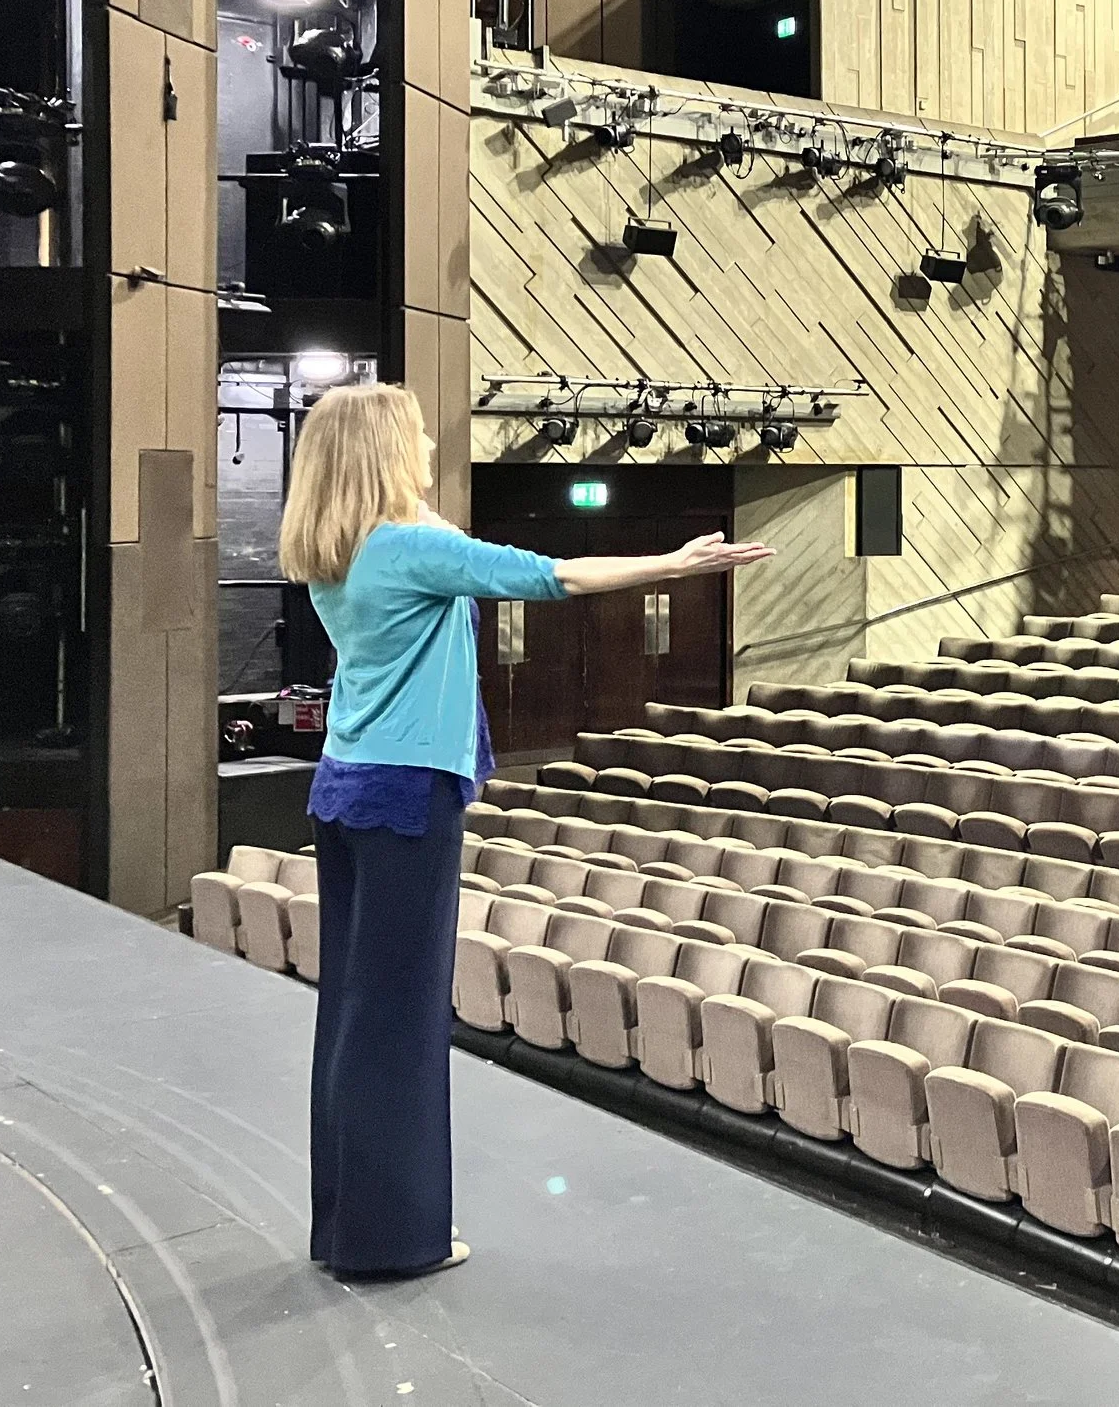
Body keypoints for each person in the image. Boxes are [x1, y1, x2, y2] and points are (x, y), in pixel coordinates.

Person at [276, 382, 772, 1278]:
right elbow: (551, 574)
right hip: (407, 792)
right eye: (419, 439)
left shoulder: (335, 551)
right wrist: (675, 563)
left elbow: (427, 525)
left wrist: (393, 480)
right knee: (403, 1018)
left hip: (346, 790)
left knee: (354, 1011)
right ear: (387, 453)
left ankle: (348, 1223)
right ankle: (396, 1241)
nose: (430, 450)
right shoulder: (414, 548)